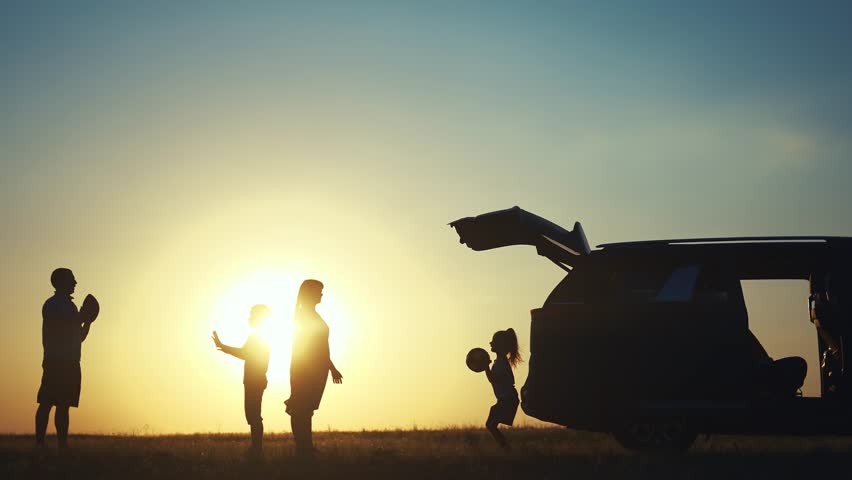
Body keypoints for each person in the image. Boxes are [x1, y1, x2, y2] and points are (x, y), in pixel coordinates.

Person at [35, 268, 96, 449]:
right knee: (46, 403)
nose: (75, 283)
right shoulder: (52, 305)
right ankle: (40, 443)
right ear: (61, 282)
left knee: (64, 405)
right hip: (56, 361)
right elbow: (62, 328)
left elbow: (79, 337)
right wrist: (80, 318)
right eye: (72, 280)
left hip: (71, 362)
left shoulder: (71, 307)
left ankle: (62, 444)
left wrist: (88, 322)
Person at [284, 280, 343, 457]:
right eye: (319, 291)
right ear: (310, 293)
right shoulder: (304, 316)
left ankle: (306, 447)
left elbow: (321, 347)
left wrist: (331, 367)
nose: (322, 294)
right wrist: (324, 367)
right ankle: (302, 448)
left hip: (317, 368)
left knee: (306, 409)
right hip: (305, 369)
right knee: (300, 407)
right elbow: (309, 347)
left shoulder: (312, 314)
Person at [212, 304, 271, 457]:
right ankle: (256, 449)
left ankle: (257, 450)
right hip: (255, 379)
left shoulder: (258, 337)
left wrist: (223, 347)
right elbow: (246, 353)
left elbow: (245, 353)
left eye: (252, 315)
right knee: (253, 415)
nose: (249, 318)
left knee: (254, 416)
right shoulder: (258, 336)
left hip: (254, 379)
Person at [483, 328, 521, 452]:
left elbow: (492, 378)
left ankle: (506, 448)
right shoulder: (499, 362)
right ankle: (506, 447)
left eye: (493, 341)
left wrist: (485, 367)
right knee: (491, 424)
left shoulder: (501, 363)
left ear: (500, 345)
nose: (491, 343)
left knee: (490, 424)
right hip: (507, 399)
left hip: (507, 399)